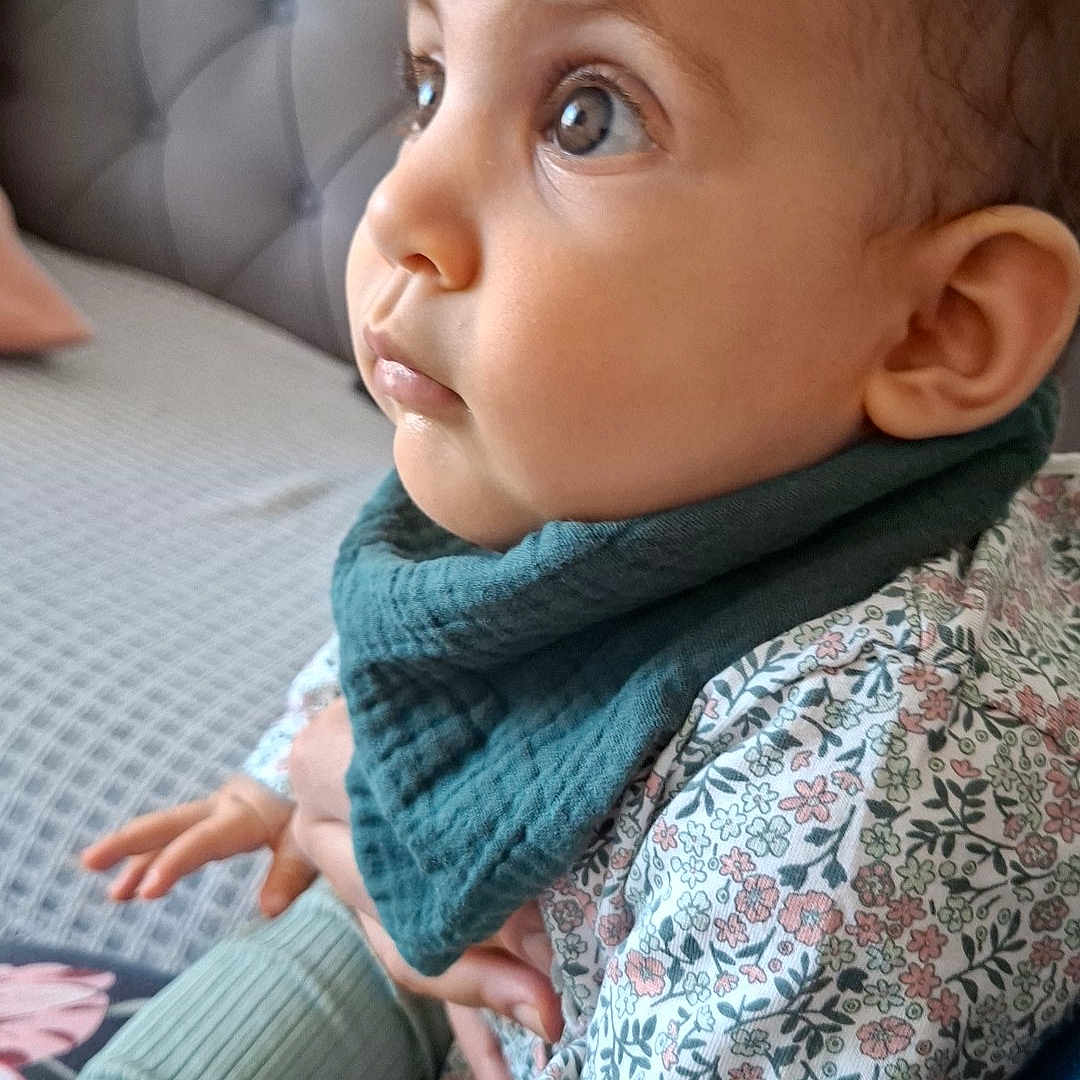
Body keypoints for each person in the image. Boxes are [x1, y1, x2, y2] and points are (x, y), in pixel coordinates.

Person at [78, 0, 1080, 1076]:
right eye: (428, 85)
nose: (398, 203)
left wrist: (375, 817)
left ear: (936, 324)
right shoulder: (621, 454)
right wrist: (290, 771)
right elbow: (441, 631)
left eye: (587, 118)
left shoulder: (877, 778)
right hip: (435, 892)